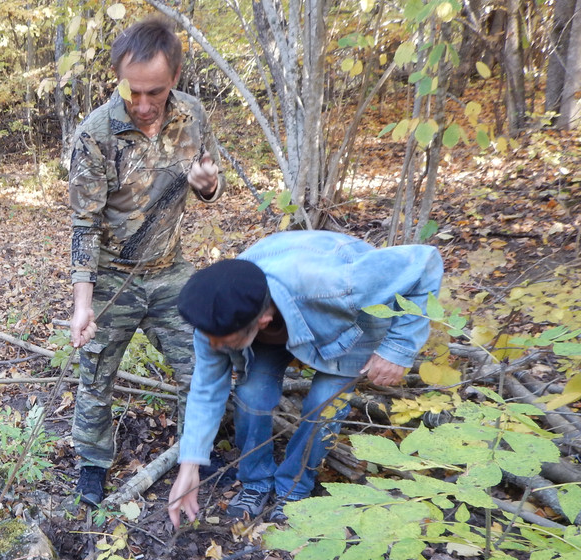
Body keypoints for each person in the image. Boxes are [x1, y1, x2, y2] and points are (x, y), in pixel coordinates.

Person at [166, 230, 444, 528]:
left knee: (323, 406)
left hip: (345, 324)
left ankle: (294, 487)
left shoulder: (339, 283)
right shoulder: (216, 315)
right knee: (252, 394)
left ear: (262, 321)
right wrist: (189, 465)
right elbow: (206, 389)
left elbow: (425, 262)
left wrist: (398, 348)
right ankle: (256, 482)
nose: (214, 346)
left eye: (223, 341)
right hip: (284, 308)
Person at [68, 15, 225, 507]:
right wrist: (83, 303)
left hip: (170, 269)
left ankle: (192, 453)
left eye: (153, 92)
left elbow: (210, 184)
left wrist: (208, 187)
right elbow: (83, 225)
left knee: (200, 367)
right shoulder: (96, 134)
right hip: (113, 274)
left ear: (175, 76)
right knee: (96, 374)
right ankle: (93, 464)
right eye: (131, 90)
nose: (141, 104)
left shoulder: (193, 116)